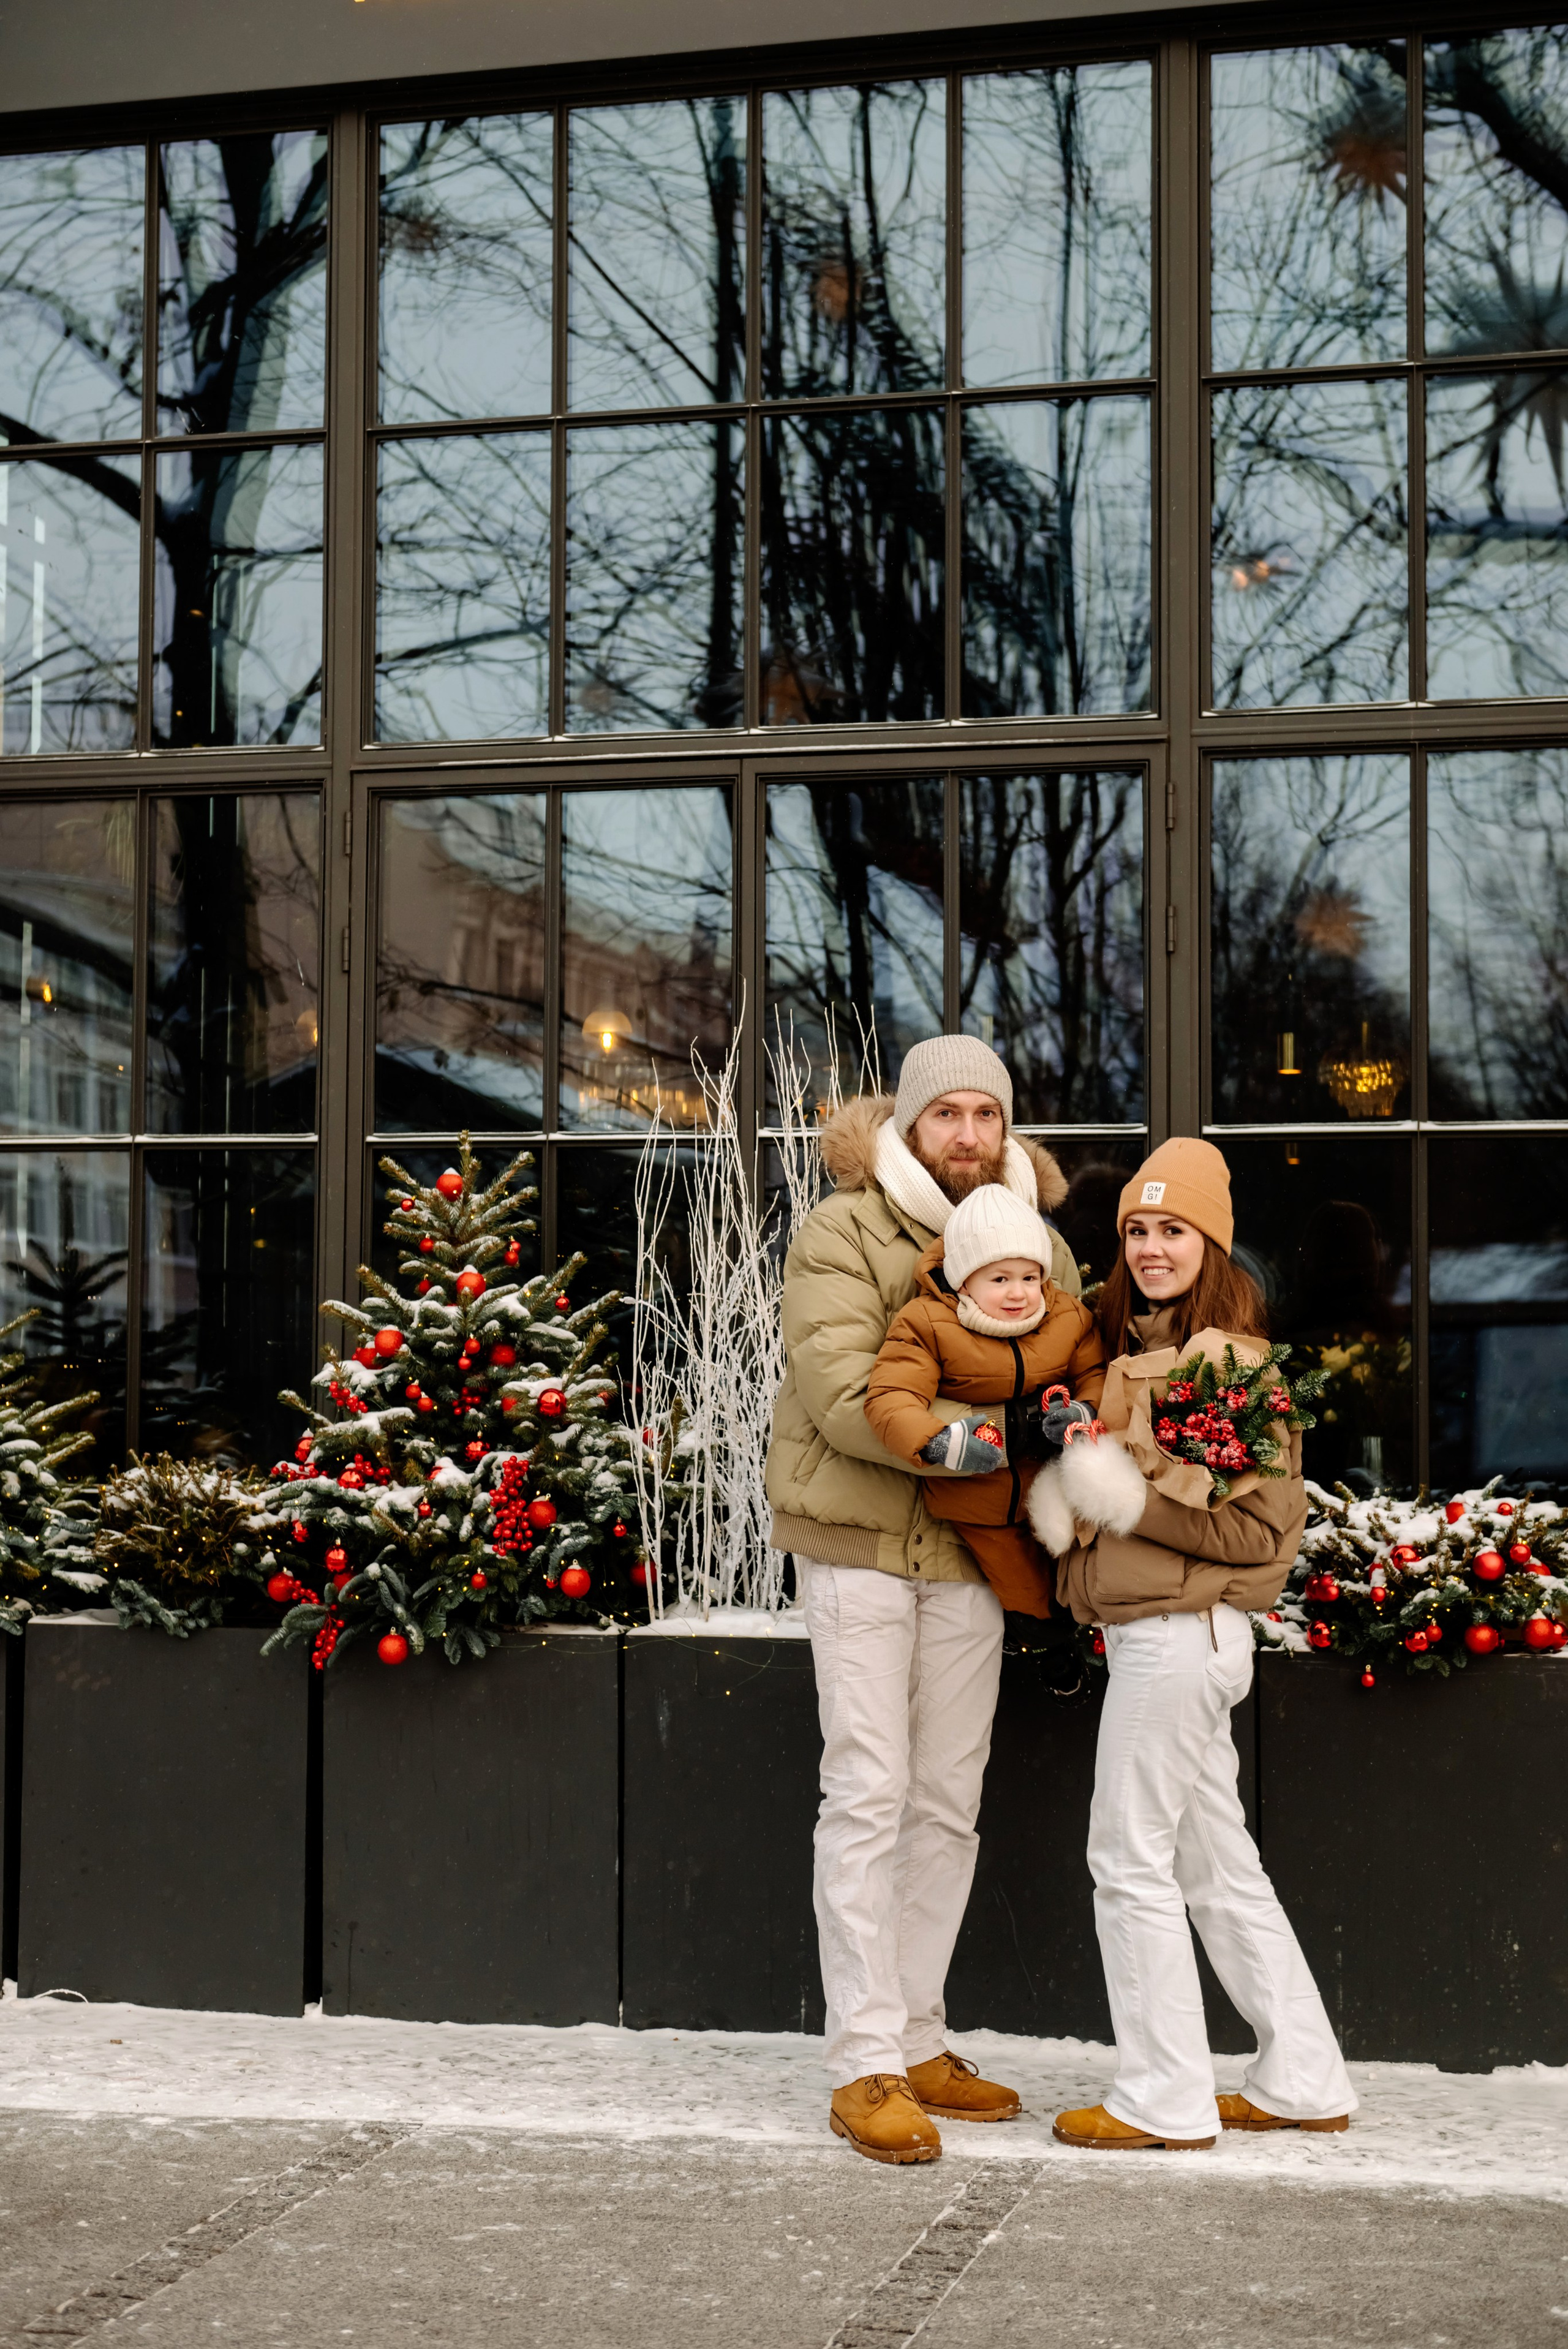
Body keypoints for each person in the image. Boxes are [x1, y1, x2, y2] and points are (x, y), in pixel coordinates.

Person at [766, 1035, 1080, 2165]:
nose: (966, 1135)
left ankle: (918, 2031)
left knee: (946, 1800)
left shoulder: (1038, 1248)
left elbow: (1071, 1378)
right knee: (867, 1790)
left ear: (1006, 1131)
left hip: (969, 1555)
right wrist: (1005, 1435)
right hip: (856, 1545)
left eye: (984, 1116)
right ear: (908, 1125)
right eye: (944, 1114)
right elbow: (848, 1395)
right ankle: (862, 2062)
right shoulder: (842, 1230)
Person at [1026, 1136, 1356, 2152]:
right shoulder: (1148, 1358)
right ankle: (1303, 2073)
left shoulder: (1229, 1365)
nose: (1151, 1247)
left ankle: (1163, 2095)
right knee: (1216, 1866)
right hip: (1160, 1638)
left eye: (1173, 1229)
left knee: (1128, 1860)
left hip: (1178, 1639)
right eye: (1136, 1229)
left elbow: (1256, 1531)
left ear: (1209, 1243)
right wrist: (1094, 1458)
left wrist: (1119, 1490)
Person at [863, 1182, 1106, 1618]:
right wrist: (939, 1440)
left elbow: (1096, 1374)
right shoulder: (929, 1322)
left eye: (1030, 1277)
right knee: (1026, 1596)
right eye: (1000, 1279)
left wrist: (1083, 1410)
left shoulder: (1066, 1316)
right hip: (977, 1502)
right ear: (964, 1281)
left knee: (1081, 1576)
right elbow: (892, 1395)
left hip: (1054, 1488)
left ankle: (1079, 1635)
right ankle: (1041, 1643)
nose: (1018, 1293)